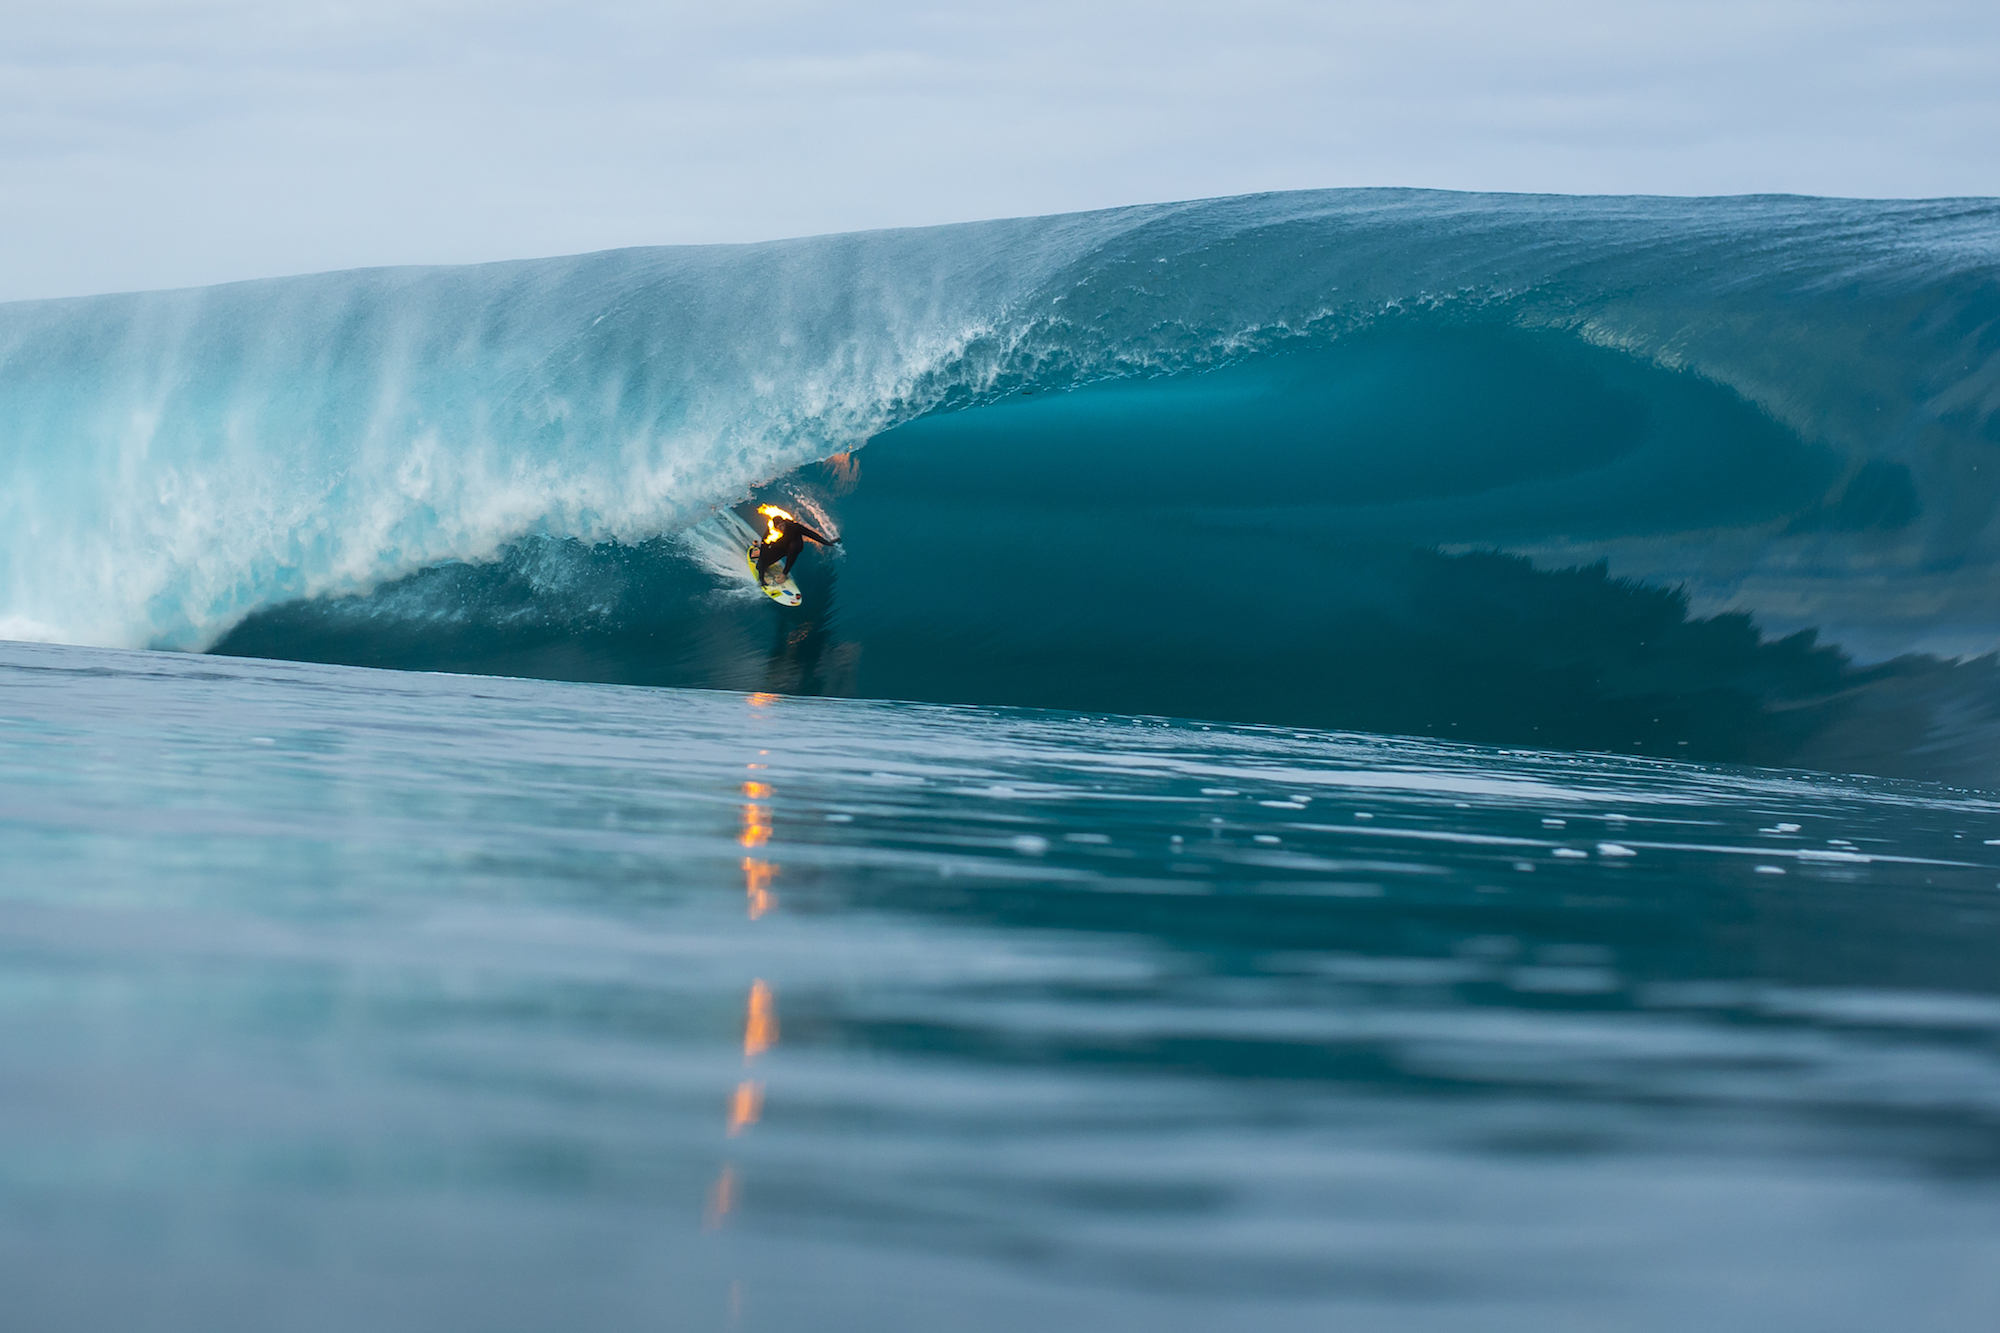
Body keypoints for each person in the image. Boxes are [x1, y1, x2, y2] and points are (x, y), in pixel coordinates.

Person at [751, 504, 839, 583]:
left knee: (792, 547)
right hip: (780, 546)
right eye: (780, 526)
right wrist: (762, 579)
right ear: (775, 528)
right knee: (760, 566)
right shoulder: (770, 533)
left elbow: (810, 533)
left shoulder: (793, 527)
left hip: (795, 545)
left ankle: (784, 575)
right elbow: (765, 546)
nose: (782, 528)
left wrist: (827, 543)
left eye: (783, 525)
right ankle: (758, 551)